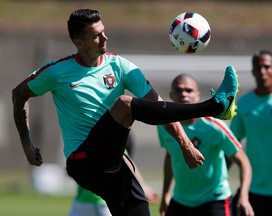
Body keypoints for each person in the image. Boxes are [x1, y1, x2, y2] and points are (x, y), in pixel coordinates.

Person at [12, 9, 238, 215]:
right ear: (78, 42)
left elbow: (159, 107)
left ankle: (215, 107)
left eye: (104, 31)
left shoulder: (121, 66)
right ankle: (213, 107)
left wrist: (185, 143)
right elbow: (19, 94)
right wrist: (26, 142)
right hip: (83, 160)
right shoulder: (57, 72)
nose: (104, 38)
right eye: (96, 35)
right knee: (124, 104)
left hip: (114, 164)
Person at [158, 74, 254, 216]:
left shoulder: (214, 127)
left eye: (189, 90)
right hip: (181, 201)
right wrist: (166, 193)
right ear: (171, 95)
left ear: (198, 96)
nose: (184, 94)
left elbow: (244, 162)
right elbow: (170, 156)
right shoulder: (164, 125)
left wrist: (244, 197)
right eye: (179, 90)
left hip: (215, 201)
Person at [230, 50, 272, 216]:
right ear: (253, 71)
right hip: (254, 188)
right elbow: (232, 144)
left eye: (267, 67)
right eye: (258, 67)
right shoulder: (243, 104)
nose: (263, 71)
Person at [69, 136, 159, 216]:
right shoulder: (105, 138)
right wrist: (143, 186)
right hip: (89, 202)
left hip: (95, 203)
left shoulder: (99, 138)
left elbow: (128, 163)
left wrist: (143, 186)